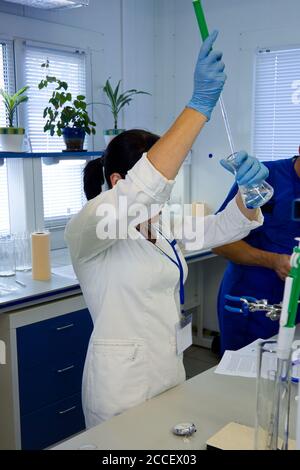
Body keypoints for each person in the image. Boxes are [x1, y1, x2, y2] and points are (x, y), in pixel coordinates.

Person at [65, 31, 267, 428]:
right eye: (162, 174)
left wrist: (250, 194)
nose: (167, 184)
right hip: (119, 389)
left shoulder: (160, 225)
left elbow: (221, 227)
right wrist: (198, 107)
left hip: (168, 374)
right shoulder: (88, 227)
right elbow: (145, 188)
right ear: (120, 180)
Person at [214, 153, 300, 356]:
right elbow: (220, 243)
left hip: (293, 303)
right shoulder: (262, 180)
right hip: (252, 303)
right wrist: (273, 261)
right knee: (243, 377)